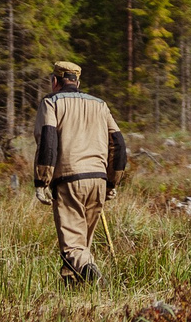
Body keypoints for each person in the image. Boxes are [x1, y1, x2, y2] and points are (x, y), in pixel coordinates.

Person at [34, 60, 127, 283]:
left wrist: (42, 182)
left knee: (73, 246)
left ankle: (94, 276)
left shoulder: (51, 102)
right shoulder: (100, 105)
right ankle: (72, 286)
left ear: (54, 81)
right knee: (81, 241)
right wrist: (112, 183)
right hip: (98, 180)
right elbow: (119, 144)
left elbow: (48, 141)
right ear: (77, 81)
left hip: (69, 180)